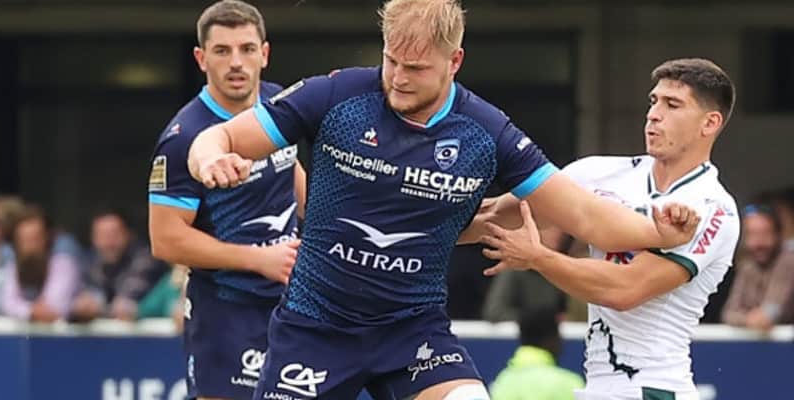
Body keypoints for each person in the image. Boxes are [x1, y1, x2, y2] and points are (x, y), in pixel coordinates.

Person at [186, 1, 698, 398]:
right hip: (315, 326)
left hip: (411, 331)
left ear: (455, 61)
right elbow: (218, 137)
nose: (398, 78)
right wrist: (210, 160)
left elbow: (584, 214)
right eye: (391, 61)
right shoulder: (339, 95)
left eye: (415, 67)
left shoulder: (486, 132)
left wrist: (658, 231)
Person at [480, 58, 739, 400]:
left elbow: (624, 290)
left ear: (710, 123)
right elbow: (496, 213)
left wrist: (538, 258)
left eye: (672, 104)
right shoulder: (598, 173)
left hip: (652, 388)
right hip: (600, 386)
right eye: (653, 101)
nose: (654, 114)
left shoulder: (712, 207)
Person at [147, 1, 304, 399]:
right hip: (226, 311)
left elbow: (293, 173)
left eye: (247, 49)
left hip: (290, 302)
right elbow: (165, 239)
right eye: (222, 51)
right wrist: (258, 259)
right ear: (201, 59)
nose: (236, 62)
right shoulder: (184, 136)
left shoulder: (277, 105)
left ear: (264, 54)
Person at [70, 209, 168, 322]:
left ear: (129, 235)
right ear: (93, 239)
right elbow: (86, 297)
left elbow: (123, 305)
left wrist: (99, 308)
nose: (109, 242)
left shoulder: (145, 260)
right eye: (102, 236)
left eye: (114, 234)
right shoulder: (91, 261)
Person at [0, 205, 81, 322]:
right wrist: (29, 311)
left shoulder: (63, 264)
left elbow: (55, 307)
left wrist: (24, 309)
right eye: (24, 240)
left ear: (47, 238)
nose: (30, 246)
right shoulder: (13, 267)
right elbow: (7, 304)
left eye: (35, 239)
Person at [721, 204, 794, 331]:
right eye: (752, 235)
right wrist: (748, 319)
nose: (758, 243)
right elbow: (729, 313)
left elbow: (772, 310)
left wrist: (764, 316)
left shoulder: (788, 260)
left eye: (765, 234)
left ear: (778, 234)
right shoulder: (747, 268)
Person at [489, 307, 584, 400]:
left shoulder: (502, 382)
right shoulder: (569, 385)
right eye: (558, 334)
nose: (561, 340)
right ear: (551, 338)